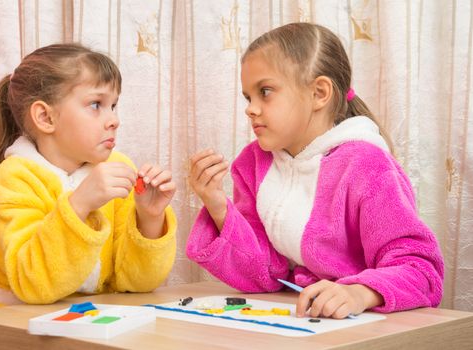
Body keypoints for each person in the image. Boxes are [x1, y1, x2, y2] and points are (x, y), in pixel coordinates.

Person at [186, 23, 444, 319]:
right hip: (297, 321)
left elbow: (422, 271)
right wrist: (217, 204)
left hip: (364, 329)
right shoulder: (253, 165)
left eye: (265, 92)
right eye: (248, 97)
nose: (251, 109)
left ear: (319, 92)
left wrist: (359, 292)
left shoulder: (366, 165)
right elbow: (263, 275)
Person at [0, 43, 177, 310]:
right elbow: (32, 283)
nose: (114, 119)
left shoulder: (117, 168)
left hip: (85, 318)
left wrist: (150, 219)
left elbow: (137, 284)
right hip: (13, 320)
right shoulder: (16, 176)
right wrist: (79, 205)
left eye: (113, 105)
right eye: (96, 104)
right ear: (46, 117)